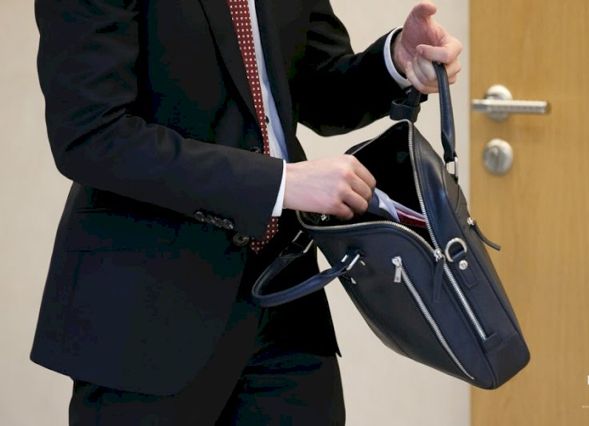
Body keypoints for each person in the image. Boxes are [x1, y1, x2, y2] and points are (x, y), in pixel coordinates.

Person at [31, 0, 462, 424]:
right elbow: (93, 135)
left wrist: (395, 60)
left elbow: (317, 89)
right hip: (147, 308)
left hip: (286, 299)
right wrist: (278, 183)